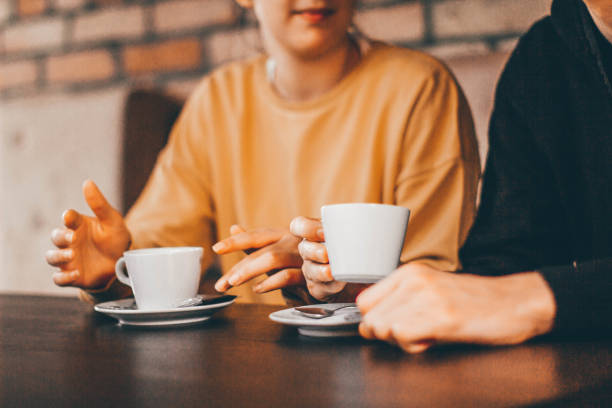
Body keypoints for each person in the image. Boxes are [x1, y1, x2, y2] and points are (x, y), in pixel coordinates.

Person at [45, 0, 480, 305]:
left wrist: (323, 274)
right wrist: (110, 272)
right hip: (243, 370)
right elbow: (155, 252)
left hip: (382, 367)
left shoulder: (421, 88)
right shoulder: (218, 100)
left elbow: (439, 280)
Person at [293, 0, 612, 352]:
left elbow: (512, 295)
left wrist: (535, 299)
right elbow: (504, 266)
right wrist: (379, 289)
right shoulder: (541, 58)